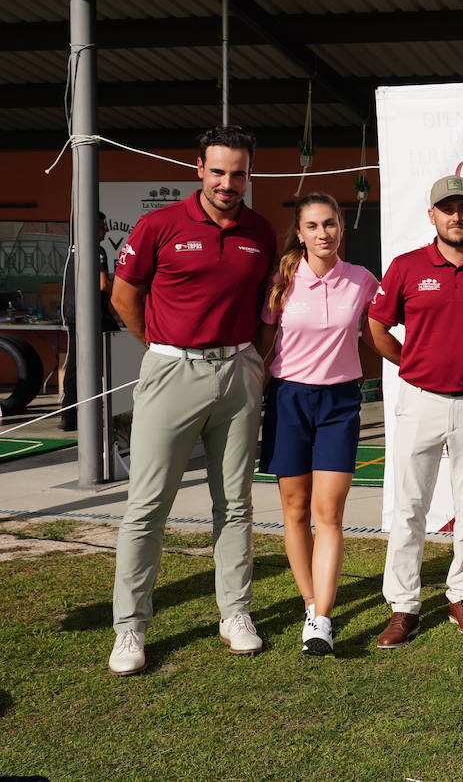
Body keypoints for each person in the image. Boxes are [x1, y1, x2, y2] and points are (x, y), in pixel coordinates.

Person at [107, 125, 276, 676]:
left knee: (236, 505)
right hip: (172, 370)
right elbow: (124, 295)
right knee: (147, 506)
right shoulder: (160, 224)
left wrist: (256, 363)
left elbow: (264, 303)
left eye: (240, 173)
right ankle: (130, 628)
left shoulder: (260, 230)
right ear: (198, 168)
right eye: (219, 171)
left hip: (238, 372)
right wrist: (160, 346)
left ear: (250, 173)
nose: (229, 183)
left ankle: (236, 613)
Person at [366, 175, 463, 648]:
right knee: (410, 507)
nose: (456, 217)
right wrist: (408, 361)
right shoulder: (407, 266)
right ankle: (403, 605)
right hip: (419, 399)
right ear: (431, 215)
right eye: (446, 209)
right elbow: (377, 324)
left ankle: (462, 596)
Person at [256, 193, 379, 656]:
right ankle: (310, 602)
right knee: (295, 511)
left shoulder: (363, 281)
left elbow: (382, 331)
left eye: (330, 224)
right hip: (288, 399)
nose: (322, 233)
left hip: (340, 403)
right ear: (300, 231)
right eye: (312, 226)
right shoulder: (283, 277)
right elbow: (265, 346)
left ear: (341, 227)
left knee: (330, 513)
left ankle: (322, 620)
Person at [59, 212, 117, 431]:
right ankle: (113, 411)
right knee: (113, 363)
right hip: (95, 318)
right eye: (103, 226)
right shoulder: (95, 249)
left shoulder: (71, 249)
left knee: (74, 365)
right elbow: (103, 284)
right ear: (92, 227)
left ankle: (69, 415)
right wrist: (124, 294)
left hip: (75, 316)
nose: (106, 231)